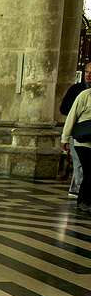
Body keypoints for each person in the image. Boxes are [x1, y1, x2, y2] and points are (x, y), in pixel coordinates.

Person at [60, 62, 90, 198]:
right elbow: (69, 113)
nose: (89, 75)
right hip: (80, 136)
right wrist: (65, 138)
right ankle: (77, 191)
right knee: (80, 166)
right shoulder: (79, 91)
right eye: (88, 72)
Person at [62, 86, 91, 214]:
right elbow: (72, 116)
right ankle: (83, 201)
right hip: (83, 142)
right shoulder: (85, 95)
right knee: (89, 172)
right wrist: (65, 138)